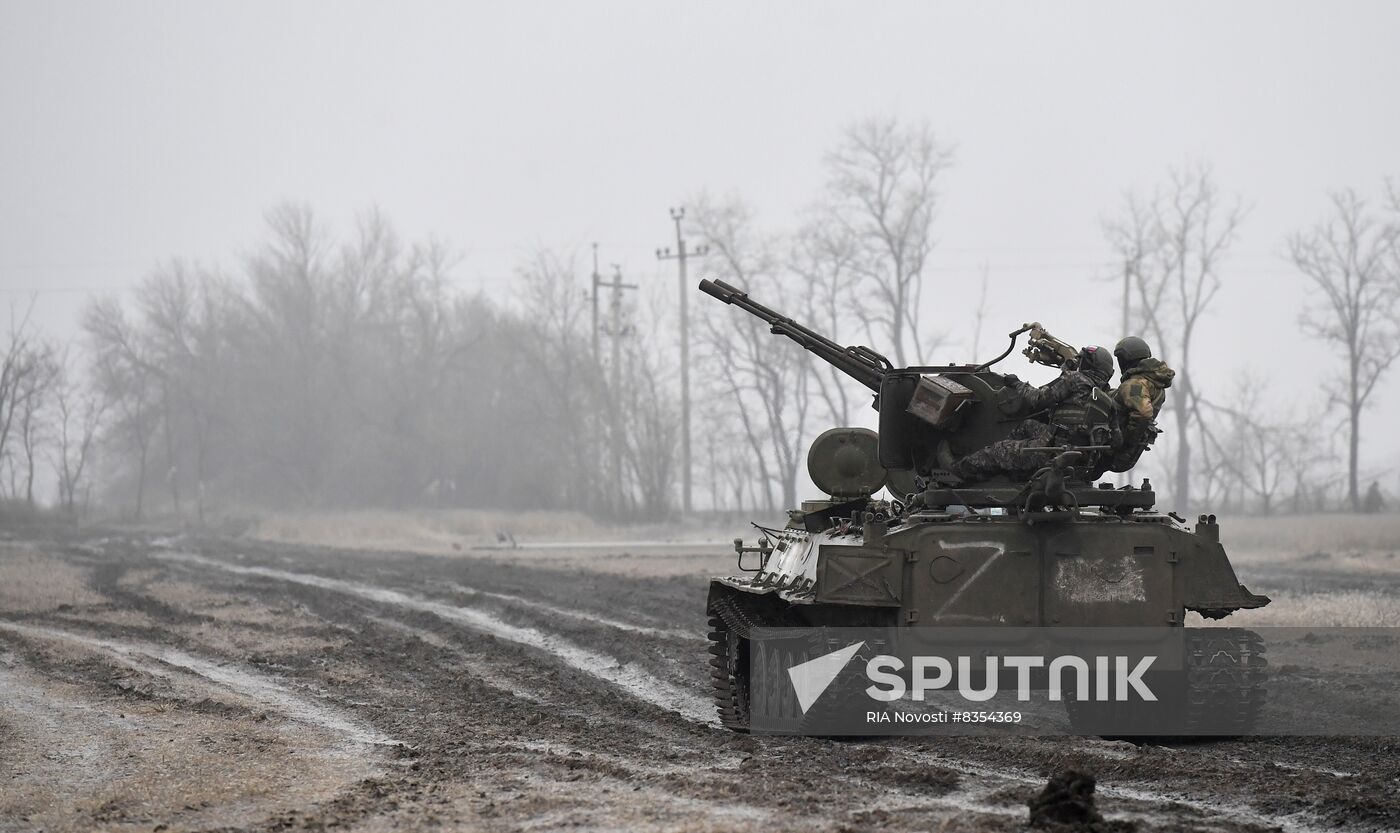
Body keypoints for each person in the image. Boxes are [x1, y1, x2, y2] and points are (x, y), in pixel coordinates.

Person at [952, 345, 1117, 482]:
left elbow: (1038, 399)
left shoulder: (1075, 379)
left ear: (1087, 364)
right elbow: (1116, 439)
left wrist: (1017, 383)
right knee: (1026, 426)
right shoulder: (1105, 397)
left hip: (1050, 454)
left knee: (996, 451)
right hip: (1079, 459)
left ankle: (956, 472)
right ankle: (1013, 468)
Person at [1105, 336, 1175, 472]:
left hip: (1114, 448)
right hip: (1126, 452)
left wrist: (1126, 441)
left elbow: (1143, 412)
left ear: (1127, 359)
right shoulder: (1153, 382)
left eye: (1121, 359)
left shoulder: (1135, 384)